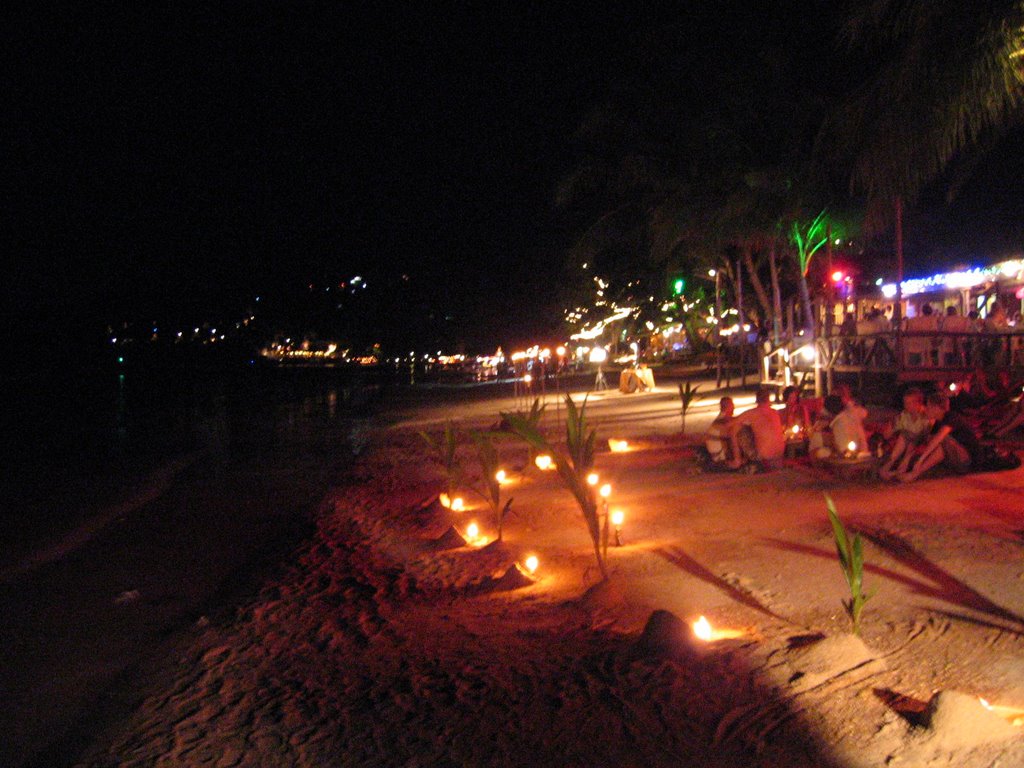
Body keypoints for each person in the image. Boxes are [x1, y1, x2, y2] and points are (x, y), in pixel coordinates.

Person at [894, 391, 983, 482]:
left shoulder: (952, 417)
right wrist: (908, 458)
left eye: (928, 406)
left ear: (936, 408)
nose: (925, 409)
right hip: (955, 459)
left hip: (969, 462)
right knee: (929, 440)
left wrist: (921, 460)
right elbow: (925, 443)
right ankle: (909, 472)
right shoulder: (937, 423)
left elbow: (939, 438)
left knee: (942, 439)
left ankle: (914, 474)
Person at [878, 387, 932, 480]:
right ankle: (889, 467)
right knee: (904, 435)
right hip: (909, 443)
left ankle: (899, 470)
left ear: (918, 403)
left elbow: (924, 436)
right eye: (905, 403)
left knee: (910, 438)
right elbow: (890, 431)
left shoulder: (927, 414)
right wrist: (888, 430)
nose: (906, 406)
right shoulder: (905, 415)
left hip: (923, 444)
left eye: (909, 403)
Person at [727, 388, 785, 470]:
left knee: (735, 429)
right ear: (768, 400)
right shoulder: (774, 412)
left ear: (757, 400)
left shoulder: (752, 413)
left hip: (764, 456)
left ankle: (737, 460)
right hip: (779, 454)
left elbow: (729, 424)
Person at [703, 397, 736, 468]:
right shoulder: (723, 421)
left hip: (716, 454)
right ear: (728, 406)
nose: (734, 407)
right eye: (732, 405)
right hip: (720, 456)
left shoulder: (720, 419)